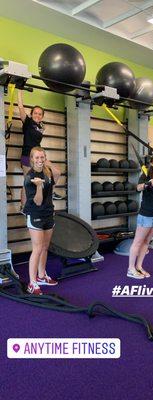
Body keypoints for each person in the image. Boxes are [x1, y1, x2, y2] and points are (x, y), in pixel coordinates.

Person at [23, 146, 61, 295]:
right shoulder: (30, 177)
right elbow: (37, 201)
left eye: (42, 157)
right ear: (31, 159)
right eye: (36, 158)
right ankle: (32, 283)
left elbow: (58, 173)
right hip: (35, 214)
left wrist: (47, 163)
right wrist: (38, 186)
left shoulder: (47, 172)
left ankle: (41, 276)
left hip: (48, 213)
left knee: (45, 247)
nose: (39, 160)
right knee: (37, 248)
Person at [18, 89, 63, 206]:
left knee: (56, 172)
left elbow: (39, 132)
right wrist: (19, 91)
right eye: (35, 113)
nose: (37, 115)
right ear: (31, 114)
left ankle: (50, 192)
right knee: (27, 182)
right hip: (27, 156)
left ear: (42, 116)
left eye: (40, 114)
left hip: (38, 156)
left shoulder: (41, 126)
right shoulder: (27, 122)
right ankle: (23, 206)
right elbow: (21, 108)